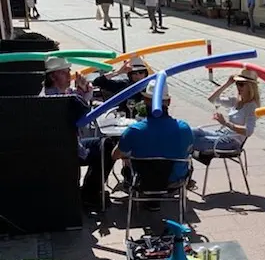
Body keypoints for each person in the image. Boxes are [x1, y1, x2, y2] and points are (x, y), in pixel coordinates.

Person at [40, 57, 115, 209]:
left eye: (69, 72)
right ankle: (90, 192)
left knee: (103, 144)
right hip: (69, 150)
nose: (69, 76)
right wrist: (83, 94)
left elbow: (78, 103)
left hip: (63, 147)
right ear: (52, 76)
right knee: (107, 146)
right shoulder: (59, 99)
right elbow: (84, 115)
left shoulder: (53, 94)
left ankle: (90, 190)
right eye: (64, 73)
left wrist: (82, 92)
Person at [112, 80, 193, 211]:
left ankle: (148, 199)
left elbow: (114, 155)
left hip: (143, 181)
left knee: (127, 160)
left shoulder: (135, 130)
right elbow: (189, 150)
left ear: (145, 101)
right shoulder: (184, 128)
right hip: (174, 181)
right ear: (169, 102)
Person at [188, 69, 259, 188]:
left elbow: (249, 131)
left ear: (250, 87)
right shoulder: (236, 101)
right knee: (191, 131)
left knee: (187, 140)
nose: (238, 87)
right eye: (237, 83)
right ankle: (184, 176)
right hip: (222, 134)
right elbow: (212, 99)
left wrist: (226, 123)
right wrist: (227, 83)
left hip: (231, 142)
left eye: (241, 84)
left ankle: (185, 176)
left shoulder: (252, 107)